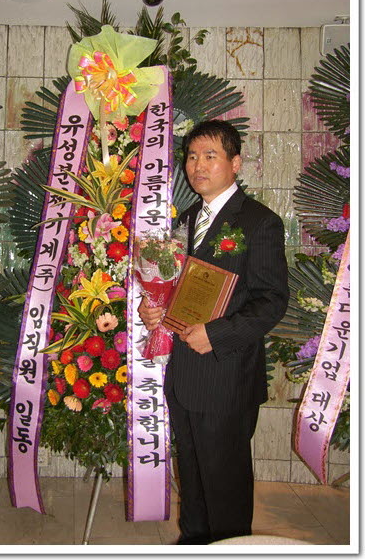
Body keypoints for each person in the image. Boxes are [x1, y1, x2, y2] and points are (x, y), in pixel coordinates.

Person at [138, 119, 289, 544]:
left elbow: (272, 301)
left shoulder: (259, 222)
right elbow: (172, 287)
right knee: (192, 480)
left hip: (226, 376)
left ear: (235, 163)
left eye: (210, 156)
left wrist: (218, 335)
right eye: (191, 156)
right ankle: (193, 544)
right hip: (184, 375)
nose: (198, 166)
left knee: (225, 486)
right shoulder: (186, 220)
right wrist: (153, 309)